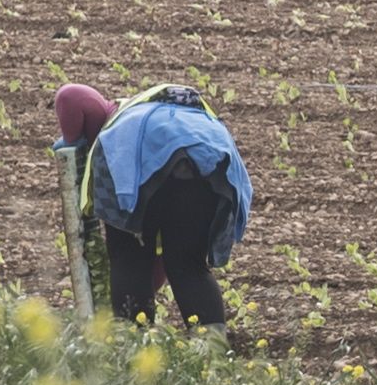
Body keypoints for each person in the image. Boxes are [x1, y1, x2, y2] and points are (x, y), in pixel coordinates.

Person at [53, 82, 253, 328]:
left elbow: (69, 95)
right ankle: (212, 356)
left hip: (139, 149)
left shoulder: (117, 113)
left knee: (129, 257)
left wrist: (72, 142)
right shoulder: (177, 110)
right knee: (188, 263)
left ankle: (133, 349)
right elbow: (159, 268)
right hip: (209, 157)